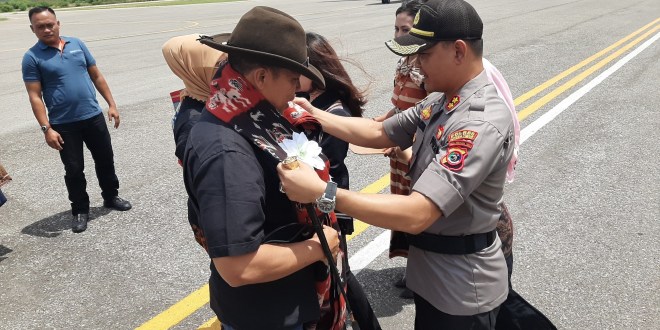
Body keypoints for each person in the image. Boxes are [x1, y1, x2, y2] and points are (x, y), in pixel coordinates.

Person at [279, 0, 511, 328]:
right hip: (436, 275)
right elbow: (378, 131)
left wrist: (324, 192)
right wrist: (313, 113)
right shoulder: (442, 100)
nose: (414, 63)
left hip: (462, 288)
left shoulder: (478, 123)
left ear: (458, 51)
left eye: (424, 54)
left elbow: (418, 213)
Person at [182, 7, 348, 330]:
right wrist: (318, 247)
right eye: (291, 79)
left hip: (282, 300)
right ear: (260, 77)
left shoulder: (250, 120)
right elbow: (238, 266)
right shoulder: (227, 149)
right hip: (268, 314)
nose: (296, 89)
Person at [22, 6, 131, 234]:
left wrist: (111, 104)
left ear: (58, 23)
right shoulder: (32, 57)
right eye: (40, 26)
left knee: (105, 159)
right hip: (63, 124)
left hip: (92, 116)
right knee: (73, 169)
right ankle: (80, 210)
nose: (46, 29)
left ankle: (111, 196)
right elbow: (35, 96)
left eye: (50, 24)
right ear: (33, 29)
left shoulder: (77, 44)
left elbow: (96, 75)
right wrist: (46, 129)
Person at [299, 31, 381, 330]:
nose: (294, 74)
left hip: (329, 201)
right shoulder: (312, 100)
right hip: (322, 198)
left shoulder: (334, 111)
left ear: (317, 69)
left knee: (339, 273)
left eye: (299, 67)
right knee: (340, 272)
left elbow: (327, 166)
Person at [162, 34, 227, 162]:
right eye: (220, 65)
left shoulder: (210, 98)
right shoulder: (194, 125)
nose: (228, 70)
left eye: (228, 62)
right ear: (194, 71)